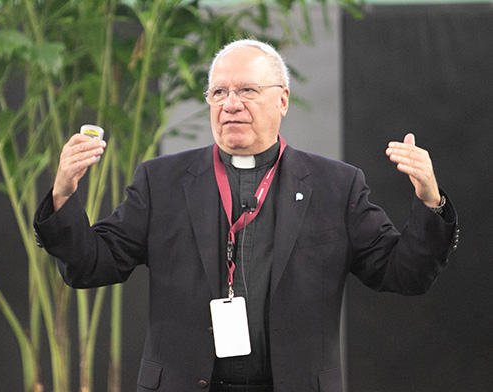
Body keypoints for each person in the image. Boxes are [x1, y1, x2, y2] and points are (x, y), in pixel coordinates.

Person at [33, 39, 459, 392]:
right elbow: (90, 265)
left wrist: (430, 201)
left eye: (247, 91)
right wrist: (62, 196)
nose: (230, 104)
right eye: (218, 93)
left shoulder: (336, 186)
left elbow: (404, 274)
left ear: (283, 100)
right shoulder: (161, 181)